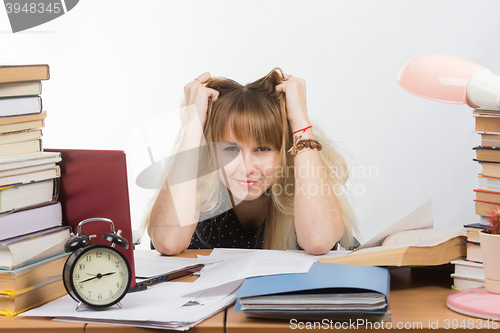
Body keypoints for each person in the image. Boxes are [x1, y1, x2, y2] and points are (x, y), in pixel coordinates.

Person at [146, 68, 358, 255]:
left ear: (284, 152)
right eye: (230, 149)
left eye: (263, 149)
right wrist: (193, 126)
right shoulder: (197, 188)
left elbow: (318, 242)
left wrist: (300, 120)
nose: (246, 168)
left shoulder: (301, 184)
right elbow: (167, 242)